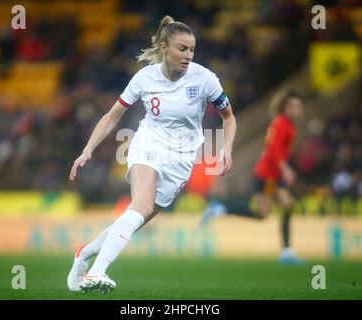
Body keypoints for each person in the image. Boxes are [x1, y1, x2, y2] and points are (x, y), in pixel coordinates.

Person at [67, 15, 237, 293]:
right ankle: (96, 273)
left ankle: (84, 253)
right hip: (147, 145)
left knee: (136, 217)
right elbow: (112, 117)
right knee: (141, 206)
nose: (188, 55)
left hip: (181, 160)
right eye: (182, 48)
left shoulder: (205, 79)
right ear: (163, 48)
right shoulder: (144, 78)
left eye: (192, 49)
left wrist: (226, 148)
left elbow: (229, 118)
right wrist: (88, 150)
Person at [201, 89, 304, 264]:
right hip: (269, 175)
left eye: (298, 106)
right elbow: (273, 150)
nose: (296, 109)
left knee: (285, 206)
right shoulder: (281, 124)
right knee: (263, 213)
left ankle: (287, 252)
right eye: (292, 106)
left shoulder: (287, 124)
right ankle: (220, 208)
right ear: (284, 108)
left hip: (275, 176)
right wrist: (286, 168)